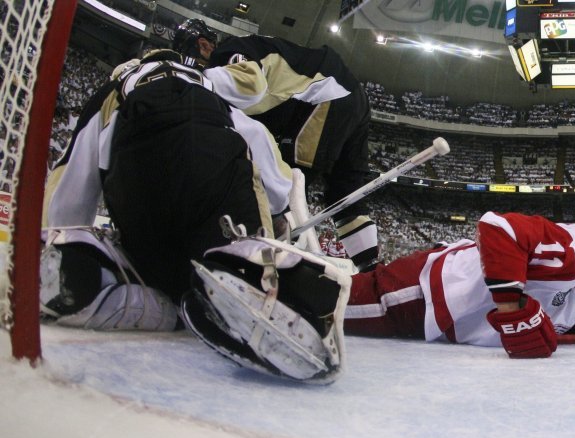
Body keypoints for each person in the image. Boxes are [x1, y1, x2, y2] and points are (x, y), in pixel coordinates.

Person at [41, 48, 350, 382]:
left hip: (138, 170)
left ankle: (140, 291)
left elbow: (67, 191)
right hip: (213, 151)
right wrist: (277, 208)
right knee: (233, 251)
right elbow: (258, 139)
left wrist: (58, 236)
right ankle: (253, 270)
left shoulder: (112, 92)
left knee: (163, 270)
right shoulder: (204, 82)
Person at [171, 19, 380, 273]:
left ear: (204, 46)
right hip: (349, 97)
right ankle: (371, 272)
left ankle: (285, 270)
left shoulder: (227, 53)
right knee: (345, 192)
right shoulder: (249, 47)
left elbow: (250, 86)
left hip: (325, 96)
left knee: (283, 184)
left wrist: (189, 84)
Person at [344, 195, 575, 359]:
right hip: (418, 295)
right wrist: (511, 309)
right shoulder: (571, 245)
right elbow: (497, 227)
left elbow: (539, 307)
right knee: (327, 307)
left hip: (434, 310)